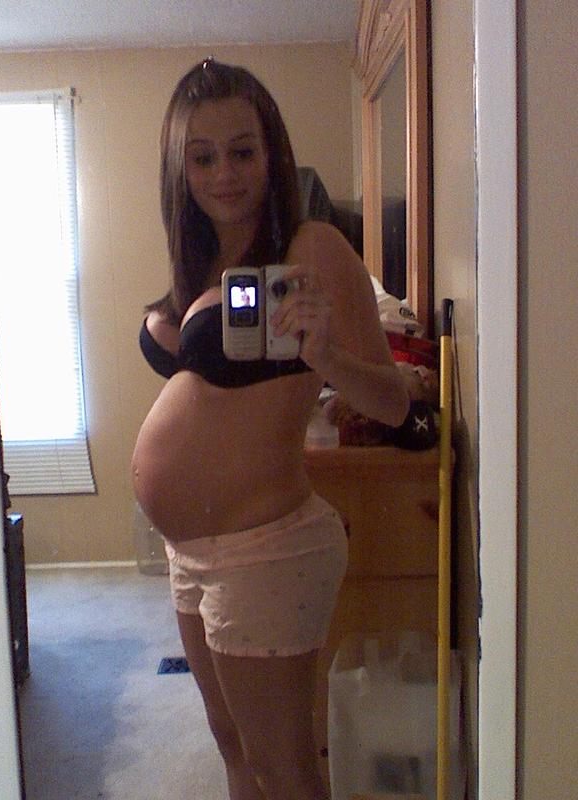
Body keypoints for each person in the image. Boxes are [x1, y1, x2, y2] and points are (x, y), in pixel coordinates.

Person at [132, 59, 409, 800]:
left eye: (242, 151)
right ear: (180, 167)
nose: (224, 174)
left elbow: (394, 403)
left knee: (283, 769)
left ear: (271, 153)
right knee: (233, 750)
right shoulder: (201, 260)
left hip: (266, 550)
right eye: (203, 157)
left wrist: (327, 358)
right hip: (191, 553)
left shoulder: (311, 248)